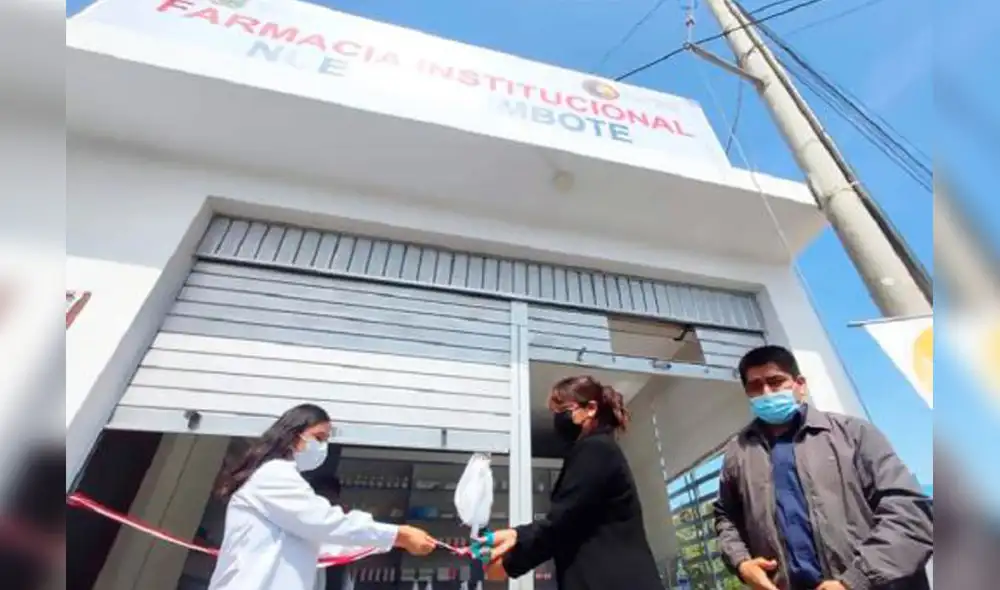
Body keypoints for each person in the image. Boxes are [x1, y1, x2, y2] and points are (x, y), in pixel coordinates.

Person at [713, 345, 933, 590]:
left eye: (775, 382)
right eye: (755, 386)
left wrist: (854, 581)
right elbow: (726, 518)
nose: (766, 392)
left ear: (800, 385)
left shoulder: (853, 434)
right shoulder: (738, 452)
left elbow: (910, 514)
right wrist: (742, 563)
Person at [207, 404, 436, 590]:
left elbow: (326, 542)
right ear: (293, 436)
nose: (322, 447)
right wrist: (398, 535)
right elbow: (324, 523)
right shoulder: (274, 474)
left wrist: (389, 541)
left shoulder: (281, 480)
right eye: (318, 437)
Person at [482, 375, 663, 590]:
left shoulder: (595, 449)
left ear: (591, 408)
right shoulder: (600, 450)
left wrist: (510, 562)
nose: (557, 418)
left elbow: (562, 521)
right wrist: (515, 536)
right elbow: (571, 521)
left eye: (563, 410)